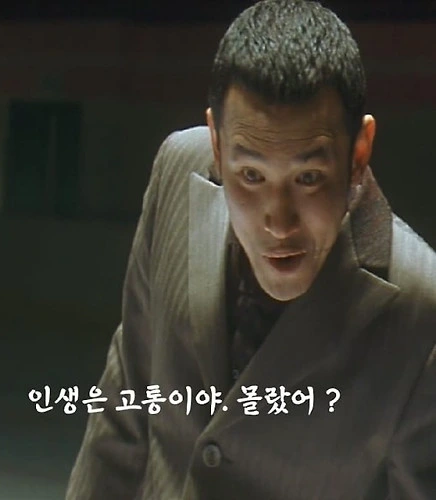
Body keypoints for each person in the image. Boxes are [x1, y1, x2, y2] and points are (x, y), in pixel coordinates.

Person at [66, 1, 436, 498]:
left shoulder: (422, 315)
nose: (278, 222)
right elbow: (126, 404)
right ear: (217, 146)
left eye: (308, 177)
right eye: (251, 176)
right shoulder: (177, 170)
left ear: (358, 152)